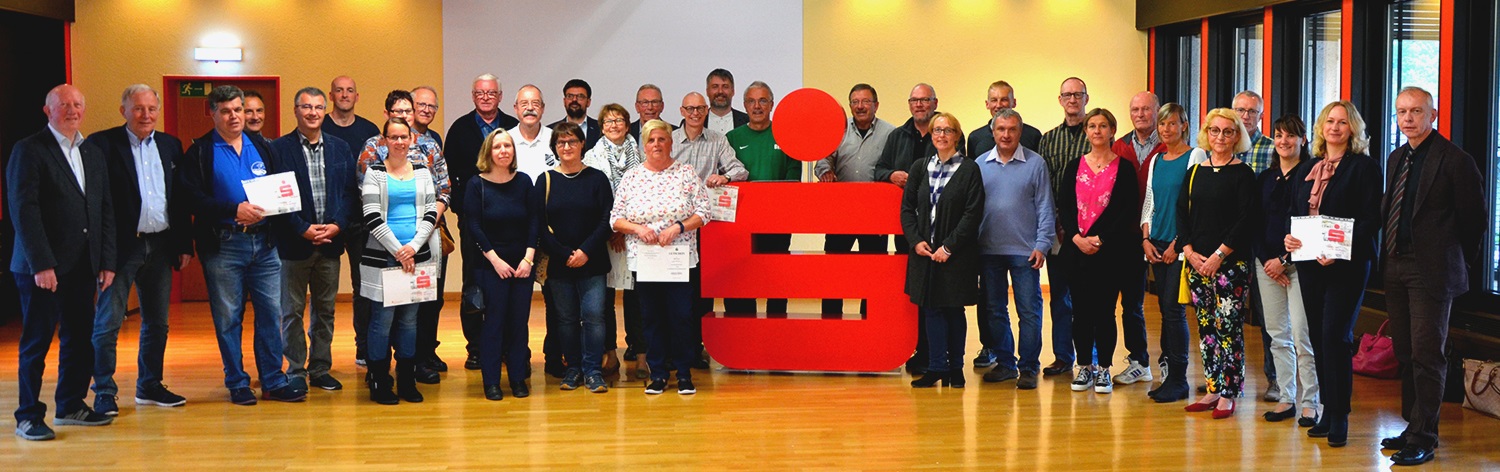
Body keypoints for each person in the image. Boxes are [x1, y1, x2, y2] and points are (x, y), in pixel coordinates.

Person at [177, 85, 304, 405]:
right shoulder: (201, 152)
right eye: (225, 111)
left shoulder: (262, 146)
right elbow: (191, 199)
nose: (234, 116)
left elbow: (279, 188)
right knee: (228, 318)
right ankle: (237, 382)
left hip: (265, 244)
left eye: (238, 109)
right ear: (212, 114)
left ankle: (273, 380)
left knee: (271, 314)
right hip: (224, 245)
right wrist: (233, 210)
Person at [1380, 86, 1484, 466]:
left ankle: (1424, 437)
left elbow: (1474, 220)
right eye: (1402, 112)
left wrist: (1455, 262)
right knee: (1405, 352)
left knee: (1427, 355)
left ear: (1432, 115)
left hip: (1432, 272)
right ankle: (1413, 426)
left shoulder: (1455, 160)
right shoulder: (1396, 157)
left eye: (1416, 111)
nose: (1407, 119)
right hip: (1395, 265)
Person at [10, 84, 117, 440]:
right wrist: (41, 263)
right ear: (48, 110)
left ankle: (70, 404)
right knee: (36, 343)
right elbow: (24, 210)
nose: (72, 110)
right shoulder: (29, 149)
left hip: (83, 265)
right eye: (63, 105)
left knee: (80, 339)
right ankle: (28, 416)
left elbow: (103, 209)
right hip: (42, 268)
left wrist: (106, 260)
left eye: (77, 104)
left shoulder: (92, 152)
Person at [84, 84, 192, 416]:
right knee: (108, 322)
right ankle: (104, 390)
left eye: (151, 109)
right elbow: (95, 204)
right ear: (124, 111)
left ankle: (150, 385)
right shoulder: (101, 145)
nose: (146, 115)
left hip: (160, 245)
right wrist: (102, 255)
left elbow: (179, 199)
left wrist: (184, 243)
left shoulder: (170, 145)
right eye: (138, 108)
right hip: (120, 248)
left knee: (157, 322)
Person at [1283, 101, 1382, 447]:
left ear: (1352, 128)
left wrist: (1339, 251)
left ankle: (1340, 414)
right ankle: (1327, 409)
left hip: (1347, 265)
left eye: (1342, 122)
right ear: (1321, 127)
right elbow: (1295, 212)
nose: (1335, 127)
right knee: (1317, 336)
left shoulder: (1364, 167)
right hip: (1310, 263)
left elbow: (1371, 218)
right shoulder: (1308, 167)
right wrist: (1289, 238)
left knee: (1335, 336)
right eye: (1329, 121)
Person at [611, 119, 712, 395]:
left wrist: (678, 227)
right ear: (644, 146)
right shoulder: (632, 177)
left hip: (679, 259)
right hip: (646, 261)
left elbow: (704, 212)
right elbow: (615, 219)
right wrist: (638, 229)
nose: (656, 144)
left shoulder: (686, 173)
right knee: (651, 318)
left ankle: (684, 374)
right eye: (651, 140)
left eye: (662, 139)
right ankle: (657, 374)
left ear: (670, 143)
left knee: (681, 317)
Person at [356, 90, 451, 383]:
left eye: (404, 136)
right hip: (384, 252)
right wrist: (399, 250)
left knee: (412, 318)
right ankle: (379, 376)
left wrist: (414, 246)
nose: (399, 140)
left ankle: (409, 373)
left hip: (419, 250)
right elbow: (370, 211)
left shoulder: (424, 163)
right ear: (385, 138)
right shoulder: (374, 163)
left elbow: (437, 199)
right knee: (382, 318)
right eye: (393, 136)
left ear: (411, 138)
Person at [270, 87, 357, 393]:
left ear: (325, 110)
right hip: (294, 244)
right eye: (306, 107)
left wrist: (337, 225)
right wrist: (301, 228)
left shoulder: (339, 147)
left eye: (318, 107)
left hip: (330, 243)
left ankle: (320, 368)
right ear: (296, 110)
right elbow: (276, 198)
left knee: (325, 311)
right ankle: (295, 370)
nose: (313, 113)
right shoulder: (279, 149)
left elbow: (350, 193)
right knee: (291, 312)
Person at [1178, 108, 1258, 418]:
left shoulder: (1244, 174)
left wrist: (1218, 256)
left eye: (1228, 131)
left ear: (1237, 136)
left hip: (1230, 265)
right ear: (1206, 133)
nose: (1220, 137)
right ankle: (1212, 388)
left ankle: (1229, 392)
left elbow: (1246, 220)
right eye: (1215, 130)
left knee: (1229, 327)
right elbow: (1181, 214)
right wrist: (1189, 252)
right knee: (1206, 327)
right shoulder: (1194, 172)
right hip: (1197, 263)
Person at [1055, 108, 1140, 395]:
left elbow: (1127, 209)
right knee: (1080, 312)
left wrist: (1101, 238)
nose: (1097, 131)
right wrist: (1076, 238)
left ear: (1112, 130)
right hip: (1077, 251)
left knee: (1105, 312)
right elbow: (1065, 206)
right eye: (1092, 126)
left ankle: (1104, 368)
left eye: (1103, 126)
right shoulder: (1074, 166)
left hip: (1110, 253)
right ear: (1086, 131)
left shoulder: (1124, 168)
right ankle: (1084, 367)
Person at [901, 112, 985, 389]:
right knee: (931, 309)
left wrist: (948, 247)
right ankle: (936, 366)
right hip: (924, 253)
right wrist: (916, 241)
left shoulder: (970, 169)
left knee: (953, 310)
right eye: (937, 130)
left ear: (957, 135)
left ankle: (955, 368)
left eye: (948, 130)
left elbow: (973, 213)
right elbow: (907, 209)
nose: (941, 135)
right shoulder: (920, 167)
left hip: (957, 255)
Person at [975, 108, 1054, 390]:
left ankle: (1029, 367)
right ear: (993, 132)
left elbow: (1045, 207)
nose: (1006, 134)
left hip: (1025, 251)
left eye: (1012, 129)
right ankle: (1006, 364)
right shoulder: (980, 164)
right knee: (995, 310)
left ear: (1020, 132)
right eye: (1001, 129)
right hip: (989, 250)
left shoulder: (1036, 164)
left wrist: (1043, 244)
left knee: (1029, 311)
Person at [535, 122, 614, 393]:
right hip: (559, 264)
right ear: (555, 148)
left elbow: (606, 219)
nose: (566, 147)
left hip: (593, 261)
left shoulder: (597, 179)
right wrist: (565, 253)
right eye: (561, 142)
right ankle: (573, 369)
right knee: (566, 319)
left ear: (582, 145)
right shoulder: (545, 180)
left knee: (594, 317)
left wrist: (584, 251)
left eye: (572, 141)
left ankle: (593, 371)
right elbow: (539, 225)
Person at [446, 74, 517, 370]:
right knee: (474, 283)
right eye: (480, 93)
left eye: (491, 93)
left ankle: (506, 346)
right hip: (473, 220)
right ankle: (475, 347)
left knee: (507, 283)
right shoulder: (459, 129)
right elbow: (450, 174)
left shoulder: (512, 127)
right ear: (473, 96)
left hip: (509, 222)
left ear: (500, 96)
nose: (486, 98)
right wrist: (462, 209)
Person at [1137, 103, 1205, 403]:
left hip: (1180, 246)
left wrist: (1178, 244)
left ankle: (1179, 379)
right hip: (1157, 242)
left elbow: (1195, 204)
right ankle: (1168, 375)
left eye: (1172, 123)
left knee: (1174, 311)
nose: (1166, 129)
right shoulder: (1157, 159)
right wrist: (1145, 237)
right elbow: (1150, 199)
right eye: (1162, 124)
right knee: (1165, 311)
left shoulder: (1196, 156)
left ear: (1184, 126)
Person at [464, 129, 538, 401]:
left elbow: (534, 221)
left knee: (518, 324)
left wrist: (528, 258)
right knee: (493, 324)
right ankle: (492, 382)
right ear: (488, 152)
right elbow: (473, 226)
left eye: (508, 146)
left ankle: (518, 378)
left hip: (522, 266)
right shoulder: (476, 184)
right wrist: (495, 260)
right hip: (491, 266)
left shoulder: (524, 182)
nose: (503, 151)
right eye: (497, 147)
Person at [1253, 114, 1318, 423]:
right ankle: (1286, 397)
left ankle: (1311, 401)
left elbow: (1311, 223)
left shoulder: (1312, 175)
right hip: (1266, 266)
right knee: (1277, 335)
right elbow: (1255, 223)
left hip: (1300, 265)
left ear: (1303, 140)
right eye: (1278, 135)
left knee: (1302, 335)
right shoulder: (1265, 179)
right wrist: (1269, 261)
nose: (1283, 141)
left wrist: (1284, 260)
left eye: (1290, 135)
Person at [814, 83, 895, 315]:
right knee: (834, 272)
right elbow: (823, 159)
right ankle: (831, 322)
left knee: (872, 274)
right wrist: (825, 171)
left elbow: (893, 166)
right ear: (850, 106)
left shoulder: (890, 133)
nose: (860, 106)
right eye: (855, 102)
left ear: (876, 105)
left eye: (866, 101)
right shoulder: (837, 130)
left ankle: (870, 321)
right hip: (840, 215)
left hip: (875, 216)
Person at [874, 83, 938, 374]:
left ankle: (933, 351)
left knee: (933, 292)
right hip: (907, 227)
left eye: (924, 100)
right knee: (912, 290)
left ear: (934, 103)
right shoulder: (897, 136)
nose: (919, 105)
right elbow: (879, 169)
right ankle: (916, 348)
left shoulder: (945, 133)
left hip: (938, 225)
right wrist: (891, 175)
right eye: (915, 100)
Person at [724, 81, 799, 315]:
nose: (757, 106)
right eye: (751, 101)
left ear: (772, 104)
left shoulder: (786, 135)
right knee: (744, 278)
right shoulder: (732, 138)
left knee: (776, 279)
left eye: (763, 101)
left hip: (778, 223)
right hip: (742, 224)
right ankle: (744, 329)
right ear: (744, 105)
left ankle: (776, 329)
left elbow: (794, 176)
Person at [584, 104, 645, 377]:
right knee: (604, 300)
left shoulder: (641, 154)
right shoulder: (591, 157)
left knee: (636, 299)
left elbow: (644, 196)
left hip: (634, 235)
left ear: (628, 125)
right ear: (601, 127)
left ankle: (641, 355)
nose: (614, 125)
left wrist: (625, 229)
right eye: (608, 121)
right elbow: (593, 198)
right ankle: (609, 354)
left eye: (619, 120)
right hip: (604, 237)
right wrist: (611, 230)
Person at [1037, 77, 1092, 377]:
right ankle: (1062, 356)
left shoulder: (1096, 134)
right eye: (1067, 95)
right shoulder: (1048, 140)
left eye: (1077, 94)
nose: (1072, 99)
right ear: (1060, 100)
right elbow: (1043, 185)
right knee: (1059, 295)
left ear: (1086, 98)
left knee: (1087, 296)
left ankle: (1090, 357)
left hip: (1089, 230)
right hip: (1058, 229)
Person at [1109, 91, 1165, 386]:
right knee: (1131, 304)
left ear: (1157, 111)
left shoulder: (1170, 147)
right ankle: (1139, 362)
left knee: (1170, 306)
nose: (1140, 114)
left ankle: (1170, 362)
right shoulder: (1118, 147)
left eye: (1146, 109)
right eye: (1135, 110)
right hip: (1128, 236)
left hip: (1163, 234)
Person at [1233, 90, 1279, 402]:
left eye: (1251, 111)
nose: (1245, 116)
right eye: (1240, 110)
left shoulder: (1273, 149)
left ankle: (1275, 380)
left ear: (1261, 116)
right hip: (1229, 244)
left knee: (1268, 317)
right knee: (1228, 315)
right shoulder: (1221, 148)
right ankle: (1226, 377)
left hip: (1262, 244)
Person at [672, 92, 748, 185]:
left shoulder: (718, 140)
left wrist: (724, 177)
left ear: (706, 110)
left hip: (706, 194)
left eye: (700, 108)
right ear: (682, 111)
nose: (695, 113)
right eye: (690, 109)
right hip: (675, 193)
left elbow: (740, 170)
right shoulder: (669, 140)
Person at [965, 81, 1042, 161]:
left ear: (1014, 102)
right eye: (994, 100)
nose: (999, 105)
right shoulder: (975, 138)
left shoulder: (1033, 135)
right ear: (987, 104)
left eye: (1004, 100)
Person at [509, 84, 556, 184]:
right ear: (516, 108)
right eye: (524, 104)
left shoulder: (555, 138)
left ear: (543, 108)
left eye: (535, 103)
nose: (530, 108)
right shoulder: (506, 140)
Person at [322, 76, 380, 155]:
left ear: (356, 97)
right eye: (339, 90)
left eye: (350, 90)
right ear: (331, 96)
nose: (344, 95)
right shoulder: (319, 127)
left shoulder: (370, 131)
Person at [548, 79, 602, 150]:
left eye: (580, 96)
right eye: (570, 96)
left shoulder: (601, 129)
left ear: (588, 102)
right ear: (564, 101)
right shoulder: (550, 131)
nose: (574, 100)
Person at [704, 68, 749, 135]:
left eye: (725, 87)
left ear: (733, 91)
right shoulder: (698, 121)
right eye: (715, 87)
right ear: (707, 91)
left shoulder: (748, 121)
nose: (720, 91)